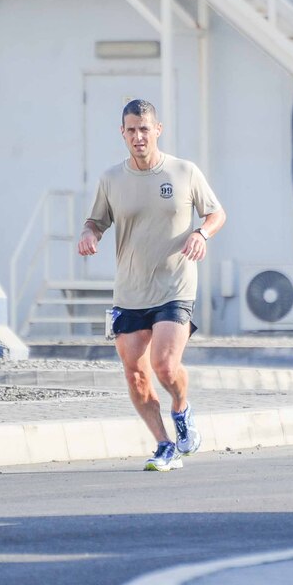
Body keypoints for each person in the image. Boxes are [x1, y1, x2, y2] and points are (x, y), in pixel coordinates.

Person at [78, 99, 226, 471]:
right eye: (131, 130)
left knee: (163, 364)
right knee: (135, 373)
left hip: (175, 285)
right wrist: (89, 235)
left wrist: (202, 234)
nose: (138, 136)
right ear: (122, 133)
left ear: (157, 130)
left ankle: (181, 409)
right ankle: (164, 445)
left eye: (145, 129)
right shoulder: (111, 179)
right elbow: (96, 221)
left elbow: (216, 213)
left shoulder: (183, 172)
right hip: (130, 290)